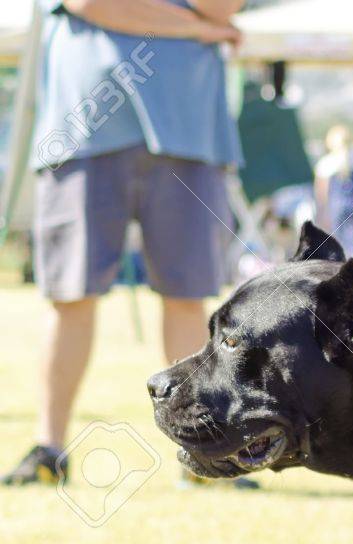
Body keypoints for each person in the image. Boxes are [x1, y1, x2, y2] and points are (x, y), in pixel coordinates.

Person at [3, 0, 244, 487]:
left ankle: (201, 453)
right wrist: (196, 27)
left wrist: (196, 21)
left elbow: (224, 7)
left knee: (187, 296)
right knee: (70, 293)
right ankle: (50, 448)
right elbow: (91, 3)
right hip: (85, 124)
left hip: (190, 127)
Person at [313, 125, 353, 258]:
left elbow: (321, 193)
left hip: (335, 208)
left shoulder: (325, 163)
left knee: (335, 244)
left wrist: (322, 214)